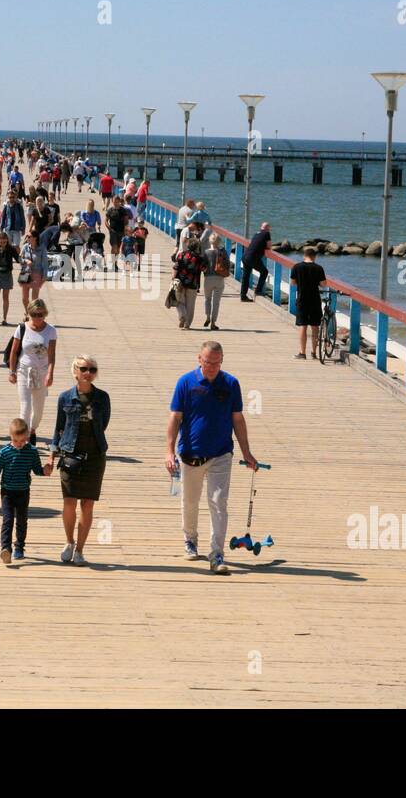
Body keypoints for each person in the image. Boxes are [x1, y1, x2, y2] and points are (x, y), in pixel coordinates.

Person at [165, 341, 259, 575]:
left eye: (217, 363)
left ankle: (217, 553)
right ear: (199, 359)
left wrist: (246, 451)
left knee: (218, 503)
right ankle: (190, 539)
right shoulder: (185, 382)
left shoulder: (230, 383)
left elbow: (237, 419)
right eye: (208, 362)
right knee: (190, 501)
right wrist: (168, 451)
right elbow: (175, 418)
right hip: (190, 454)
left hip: (221, 453)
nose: (212, 367)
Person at [51, 355, 111, 567]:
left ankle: (80, 550)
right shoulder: (65, 397)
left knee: (87, 504)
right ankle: (69, 541)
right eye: (84, 369)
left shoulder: (103, 397)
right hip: (70, 454)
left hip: (95, 456)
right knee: (69, 502)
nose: (88, 373)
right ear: (75, 371)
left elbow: (103, 424)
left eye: (92, 369)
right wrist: (52, 453)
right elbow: (59, 427)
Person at [0, 417, 54, 564]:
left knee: (22, 521)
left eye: (23, 441)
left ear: (27, 437)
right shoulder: (4, 452)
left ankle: (19, 547)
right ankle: (6, 549)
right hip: (7, 493)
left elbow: (37, 470)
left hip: (23, 492)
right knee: (8, 520)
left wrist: (45, 470)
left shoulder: (32, 452)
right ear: (11, 437)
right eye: (16, 441)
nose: (20, 444)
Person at [7, 298, 56, 444]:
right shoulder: (22, 328)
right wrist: (12, 372)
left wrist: (50, 373)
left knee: (38, 410)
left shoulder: (51, 331)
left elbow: (52, 355)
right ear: (29, 313)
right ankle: (25, 438)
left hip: (42, 371)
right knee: (25, 406)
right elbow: (14, 352)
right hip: (24, 370)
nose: (37, 318)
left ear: (45, 314)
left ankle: (32, 429)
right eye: (34, 314)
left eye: (40, 314)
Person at [290, 246, 329, 359]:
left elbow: (293, 282)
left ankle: (302, 353)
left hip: (302, 299)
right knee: (315, 326)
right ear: (314, 257)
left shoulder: (296, 267)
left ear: (304, 255)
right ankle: (314, 352)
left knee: (303, 326)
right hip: (314, 300)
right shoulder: (318, 268)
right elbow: (323, 284)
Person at [172, 237, 204, 330]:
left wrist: (173, 278)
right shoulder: (199, 258)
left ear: (187, 245)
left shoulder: (181, 255)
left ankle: (182, 316)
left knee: (179, 301)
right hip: (193, 283)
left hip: (180, 281)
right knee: (190, 305)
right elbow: (204, 269)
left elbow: (176, 267)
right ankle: (187, 324)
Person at [0, 231, 18, 324]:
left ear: (7, 241)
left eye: (4, 242)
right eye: (1, 242)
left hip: (7, 273)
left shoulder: (11, 249)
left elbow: (17, 258)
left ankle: (5, 318)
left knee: (6, 297)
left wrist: (24, 260)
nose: (3, 244)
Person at [203, 234, 230, 330]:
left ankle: (207, 317)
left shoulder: (206, 252)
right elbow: (227, 264)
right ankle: (213, 322)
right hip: (219, 278)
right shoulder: (223, 252)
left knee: (207, 299)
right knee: (216, 302)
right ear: (219, 242)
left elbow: (203, 266)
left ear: (209, 241)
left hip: (208, 279)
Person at [240, 222, 272, 301]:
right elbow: (269, 246)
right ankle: (258, 291)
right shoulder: (267, 233)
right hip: (252, 258)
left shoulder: (256, 234)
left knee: (246, 276)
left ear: (261, 227)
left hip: (245, 256)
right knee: (264, 272)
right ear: (268, 228)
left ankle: (243, 296)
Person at [18, 229, 44, 310]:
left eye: (29, 236)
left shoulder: (42, 248)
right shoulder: (25, 247)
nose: (27, 238)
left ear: (35, 238)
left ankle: (31, 315)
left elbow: (45, 264)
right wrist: (25, 260)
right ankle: (28, 312)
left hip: (37, 274)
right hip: (26, 274)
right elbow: (19, 258)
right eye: (27, 237)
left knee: (34, 299)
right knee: (24, 298)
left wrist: (45, 277)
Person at [105, 195, 131, 271]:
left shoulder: (123, 210)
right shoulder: (110, 210)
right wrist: (109, 229)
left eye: (117, 202)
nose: (115, 203)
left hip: (121, 232)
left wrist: (125, 229)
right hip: (113, 231)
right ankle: (113, 264)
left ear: (119, 201)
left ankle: (115, 263)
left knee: (118, 248)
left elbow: (126, 221)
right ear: (112, 201)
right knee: (114, 247)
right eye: (114, 201)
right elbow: (106, 221)